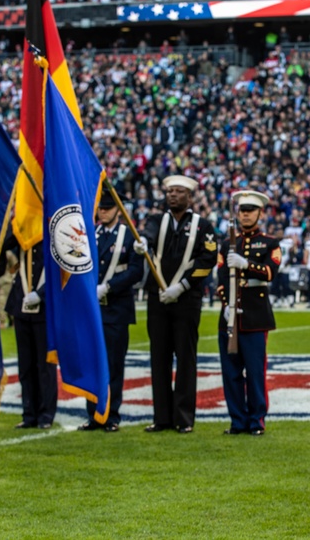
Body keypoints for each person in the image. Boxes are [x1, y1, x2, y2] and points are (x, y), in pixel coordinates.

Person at [134, 174, 217, 434]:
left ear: (190, 197)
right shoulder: (156, 221)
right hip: (158, 299)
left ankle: (183, 418)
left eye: (179, 191)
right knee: (158, 358)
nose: (172, 195)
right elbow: (147, 237)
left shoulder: (203, 226)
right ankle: (162, 417)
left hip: (187, 300)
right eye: (169, 191)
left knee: (185, 358)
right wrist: (142, 244)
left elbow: (208, 260)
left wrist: (182, 286)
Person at [217, 190, 281, 436]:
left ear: (259, 213)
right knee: (231, 372)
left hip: (255, 315)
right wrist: (226, 305)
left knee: (255, 372)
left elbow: (270, 272)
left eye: (250, 211)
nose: (245, 215)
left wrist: (246, 265)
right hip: (230, 316)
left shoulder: (270, 243)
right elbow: (221, 279)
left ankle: (256, 420)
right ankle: (237, 420)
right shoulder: (226, 244)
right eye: (242, 211)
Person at [79, 184, 142, 432]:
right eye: (101, 208)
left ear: (119, 209)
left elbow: (136, 271)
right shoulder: (91, 234)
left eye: (108, 208)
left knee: (114, 365)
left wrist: (110, 287)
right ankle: (93, 414)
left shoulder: (129, 236)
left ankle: (111, 414)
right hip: (93, 311)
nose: (103, 213)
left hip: (116, 309)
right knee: (92, 363)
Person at [0, 235, 57, 430]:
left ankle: (46, 414)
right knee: (25, 366)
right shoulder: (23, 229)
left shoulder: (53, 230)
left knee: (44, 364)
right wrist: (18, 224)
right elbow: (4, 244)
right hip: (21, 304)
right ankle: (29, 413)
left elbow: (60, 270)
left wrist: (41, 294)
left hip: (45, 307)